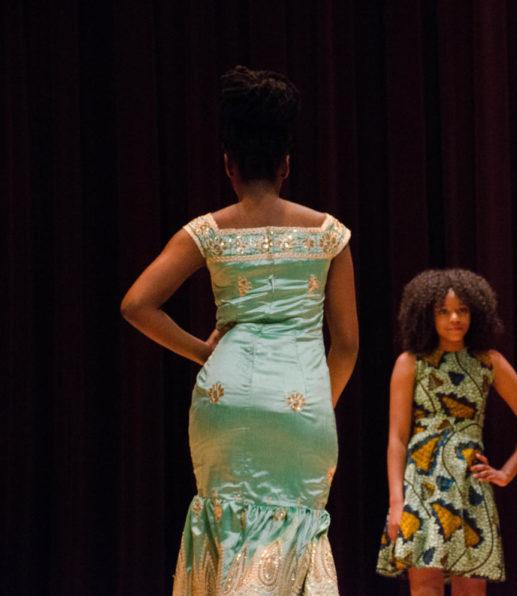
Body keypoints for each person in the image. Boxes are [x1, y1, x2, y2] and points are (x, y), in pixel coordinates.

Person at [120, 65, 358, 594]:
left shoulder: (207, 231)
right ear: (286, 165)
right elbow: (345, 344)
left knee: (223, 530)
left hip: (225, 401)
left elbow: (137, 304)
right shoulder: (328, 233)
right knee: (297, 534)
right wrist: (317, 397)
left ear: (228, 165)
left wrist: (204, 354)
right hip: (302, 399)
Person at [376, 269, 517, 595]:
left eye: (462, 310)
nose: (454, 318)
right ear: (426, 314)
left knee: (470, 589)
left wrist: (507, 472)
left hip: (469, 486)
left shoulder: (488, 362)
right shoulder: (411, 363)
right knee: (425, 588)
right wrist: (396, 501)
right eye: (444, 311)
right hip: (422, 484)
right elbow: (397, 438)